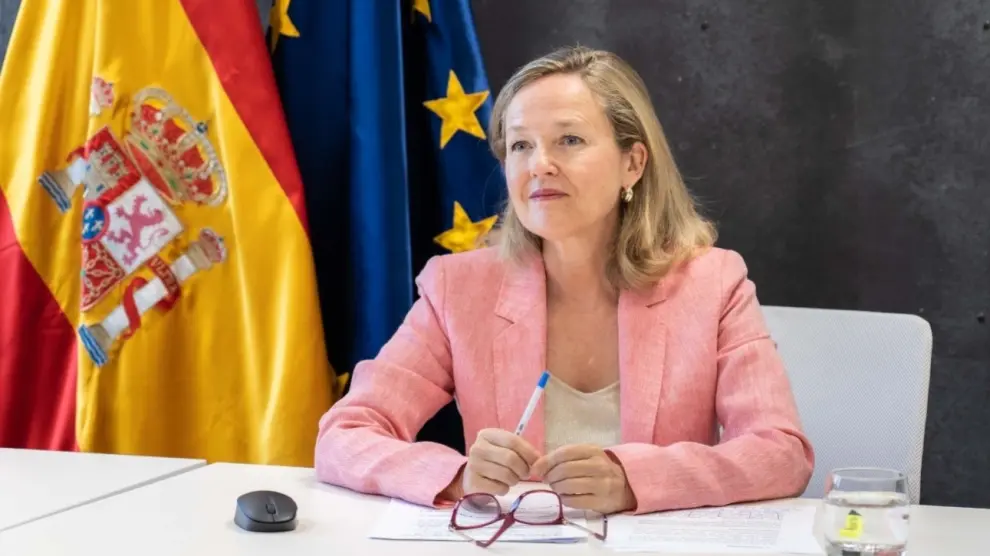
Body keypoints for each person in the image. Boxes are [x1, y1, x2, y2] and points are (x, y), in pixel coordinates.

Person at [314, 45, 814, 516]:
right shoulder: (456, 289)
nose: (539, 165)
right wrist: (459, 477)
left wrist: (633, 481)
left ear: (633, 163)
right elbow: (344, 435)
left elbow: (781, 452)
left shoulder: (714, 283)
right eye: (520, 145)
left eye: (569, 140)